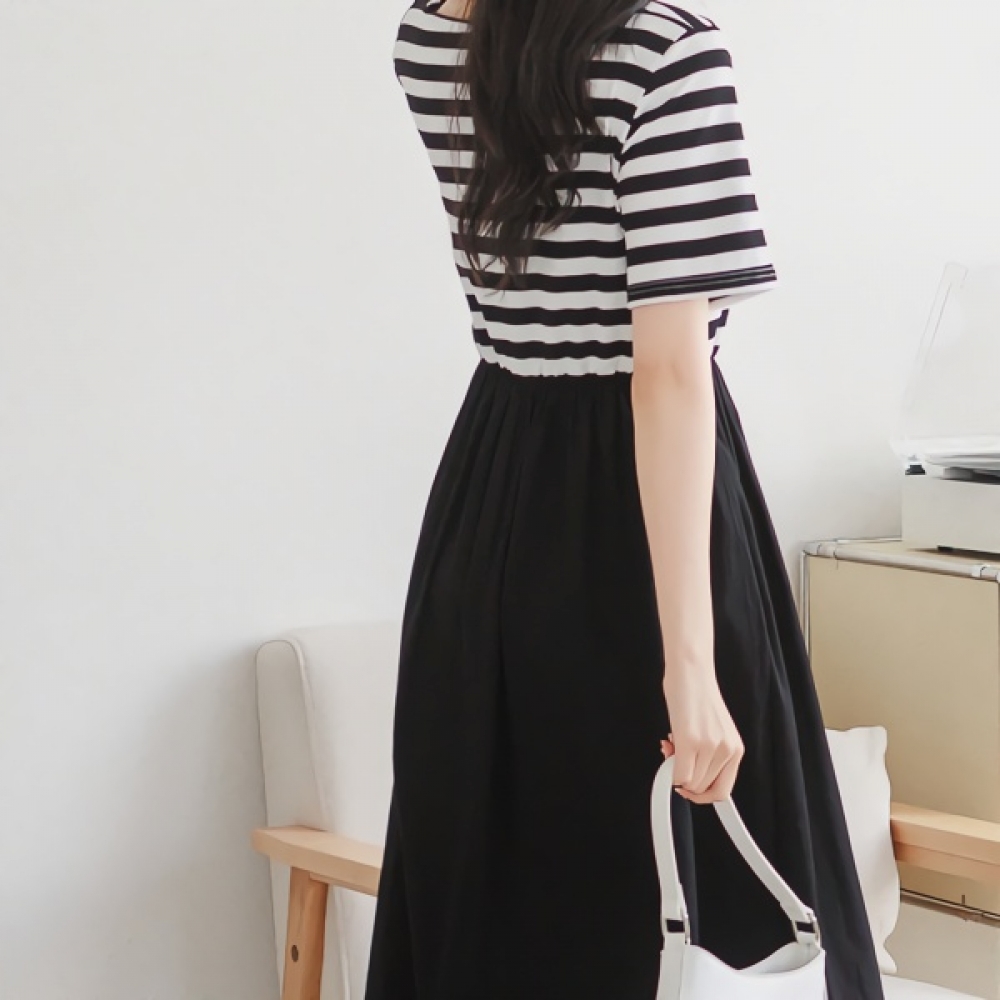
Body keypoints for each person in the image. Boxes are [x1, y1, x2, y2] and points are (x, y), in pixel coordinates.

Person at [365, 1, 886, 998]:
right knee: (704, 907)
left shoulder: (434, 31)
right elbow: (668, 374)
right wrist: (690, 667)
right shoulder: (665, 52)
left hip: (491, 500)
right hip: (647, 516)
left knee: (496, 892)